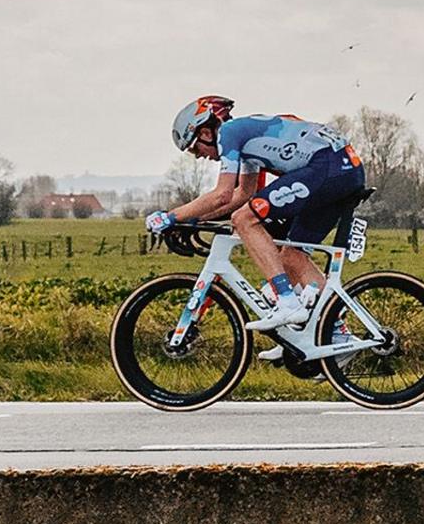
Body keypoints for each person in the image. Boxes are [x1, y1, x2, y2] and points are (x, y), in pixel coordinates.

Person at [154, 96, 364, 350]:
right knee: (292, 256)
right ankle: (335, 335)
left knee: (245, 219)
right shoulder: (246, 143)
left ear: (207, 131)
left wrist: (170, 217)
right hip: (340, 170)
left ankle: (287, 302)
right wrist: (195, 220)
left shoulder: (229, 133)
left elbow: (222, 194)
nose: (199, 156)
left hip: (328, 168)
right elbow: (241, 195)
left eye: (195, 148)